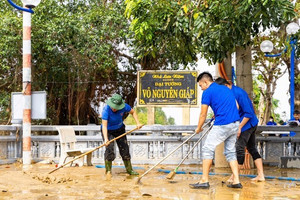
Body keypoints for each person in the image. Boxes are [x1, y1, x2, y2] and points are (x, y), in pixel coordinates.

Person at [189, 72, 242, 189]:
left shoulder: (207, 92)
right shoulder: (226, 88)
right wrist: (218, 113)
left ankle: (204, 180)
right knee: (230, 151)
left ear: (205, 82)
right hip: (235, 124)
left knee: (207, 148)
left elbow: (203, 114)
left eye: (200, 86)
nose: (201, 88)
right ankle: (236, 181)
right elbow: (237, 106)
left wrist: (198, 128)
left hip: (223, 124)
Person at [215, 77, 265, 182]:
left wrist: (239, 127)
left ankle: (234, 176)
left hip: (248, 123)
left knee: (239, 148)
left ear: (225, 85)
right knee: (252, 148)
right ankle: (261, 175)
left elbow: (248, 113)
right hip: (243, 123)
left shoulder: (239, 93)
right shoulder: (228, 94)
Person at [101, 94, 142, 176]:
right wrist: (106, 139)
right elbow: (104, 126)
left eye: (116, 107)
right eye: (113, 106)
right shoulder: (106, 110)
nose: (114, 108)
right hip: (108, 131)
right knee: (110, 149)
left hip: (120, 129)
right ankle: (108, 171)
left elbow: (133, 112)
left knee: (125, 149)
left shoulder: (124, 107)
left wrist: (138, 123)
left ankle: (129, 170)